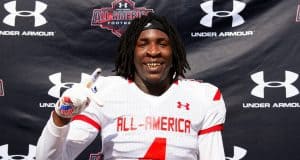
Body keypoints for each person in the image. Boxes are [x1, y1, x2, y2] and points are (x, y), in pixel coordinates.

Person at [36, 13, 226, 160]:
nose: (153, 51)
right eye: (143, 44)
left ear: (174, 51)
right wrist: (61, 117)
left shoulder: (204, 96)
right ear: (130, 52)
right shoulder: (104, 92)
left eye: (162, 43)